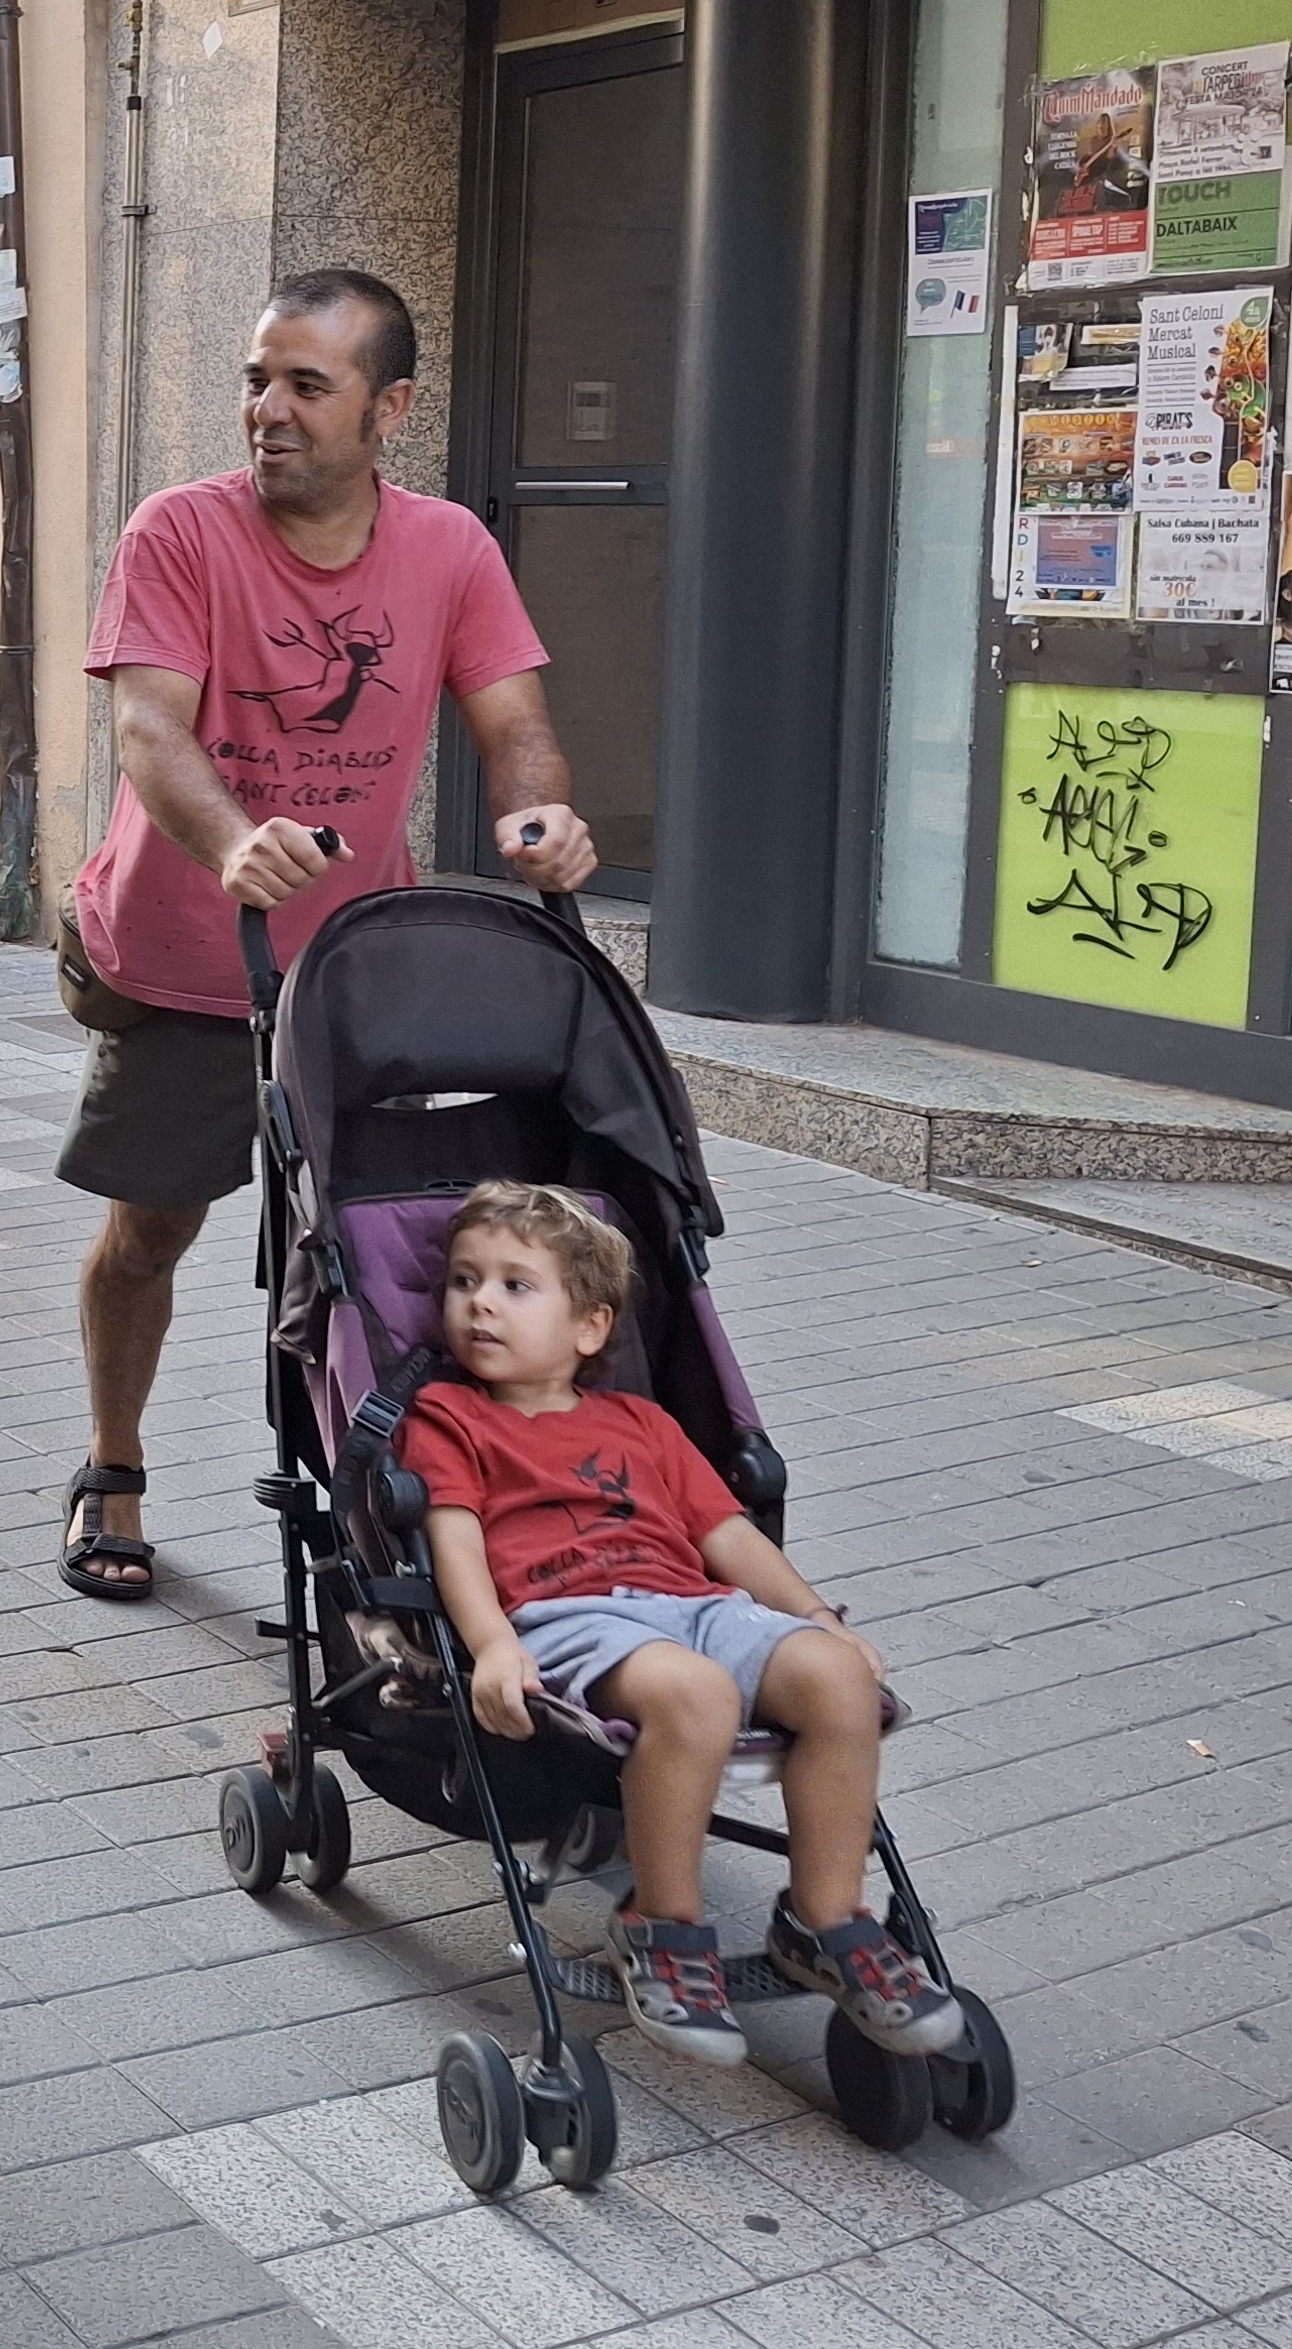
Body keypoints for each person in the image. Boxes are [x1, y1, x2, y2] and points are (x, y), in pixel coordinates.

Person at [56, 267, 595, 1602]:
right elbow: (149, 727)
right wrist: (234, 838)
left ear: (388, 407)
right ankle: (112, 1463)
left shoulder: (450, 548)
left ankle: (392, 1507)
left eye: (307, 384)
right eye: (256, 380)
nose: (269, 410)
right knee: (152, 1233)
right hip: (184, 959)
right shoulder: (178, 533)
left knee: (372, 1250)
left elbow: (514, 723)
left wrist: (541, 820)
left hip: (356, 971)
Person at [404, 1181, 958, 2069]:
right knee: (694, 1695)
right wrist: (492, 1643)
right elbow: (455, 1536)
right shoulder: (450, 1417)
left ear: (590, 1327)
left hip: (692, 1606)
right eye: (463, 1281)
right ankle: (659, 1924)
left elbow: (725, 1534)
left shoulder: (644, 1423)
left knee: (838, 1677)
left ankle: (825, 1919)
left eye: (515, 1285)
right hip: (566, 1616)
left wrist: (815, 1617)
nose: (479, 1302)